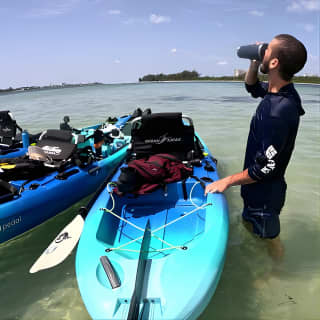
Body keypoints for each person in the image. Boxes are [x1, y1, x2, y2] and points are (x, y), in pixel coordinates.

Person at [205, 34, 307, 259]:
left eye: (267, 49)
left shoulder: (278, 111)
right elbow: (252, 87)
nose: (262, 49)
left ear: (274, 63)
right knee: (251, 227)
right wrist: (253, 59)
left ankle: (275, 275)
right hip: (257, 189)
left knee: (271, 239)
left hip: (265, 193)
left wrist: (227, 181)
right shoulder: (279, 91)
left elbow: (263, 169)